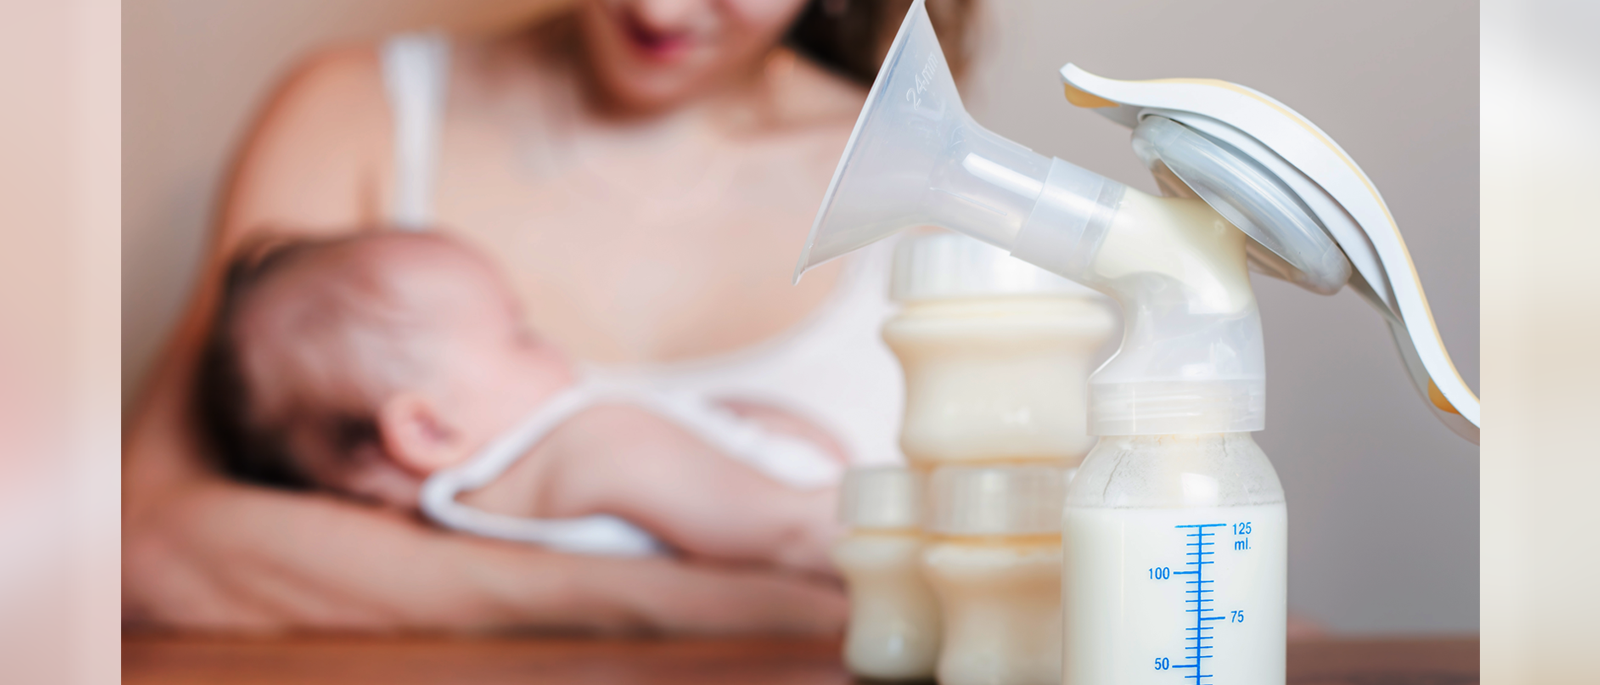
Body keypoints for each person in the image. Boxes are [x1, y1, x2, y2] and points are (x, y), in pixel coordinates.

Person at [123, 0, 977, 632]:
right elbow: (149, 546)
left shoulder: (929, 180)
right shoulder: (358, 113)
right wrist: (681, 606)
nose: (659, 9)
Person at [198, 230, 842, 571]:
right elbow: (793, 530)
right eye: (521, 336)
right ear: (427, 431)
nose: (556, 349)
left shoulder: (469, 513)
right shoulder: (586, 446)